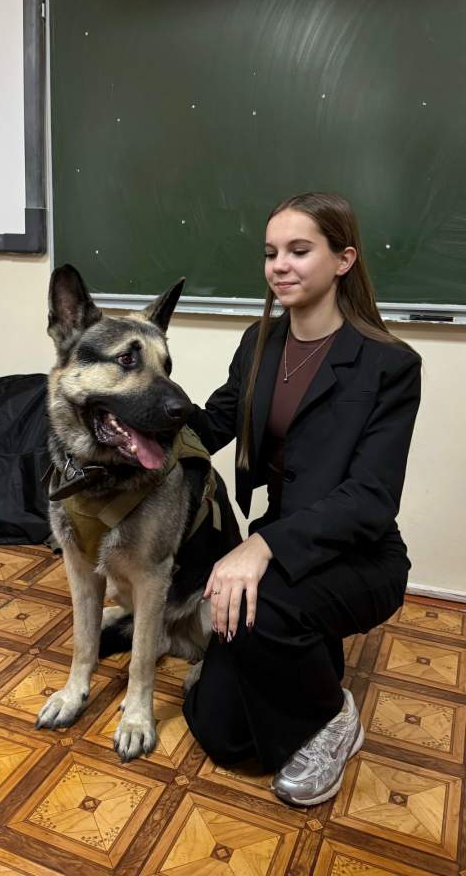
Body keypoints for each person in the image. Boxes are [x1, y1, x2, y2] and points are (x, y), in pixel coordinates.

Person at [182, 191, 421, 806]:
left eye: (298, 251)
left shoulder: (389, 364)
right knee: (220, 732)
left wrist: (261, 545)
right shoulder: (258, 342)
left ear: (343, 260)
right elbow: (213, 424)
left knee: (259, 608)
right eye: (270, 253)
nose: (279, 266)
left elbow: (370, 499)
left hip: (360, 556)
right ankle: (304, 653)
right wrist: (145, 416)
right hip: (284, 538)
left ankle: (335, 717)